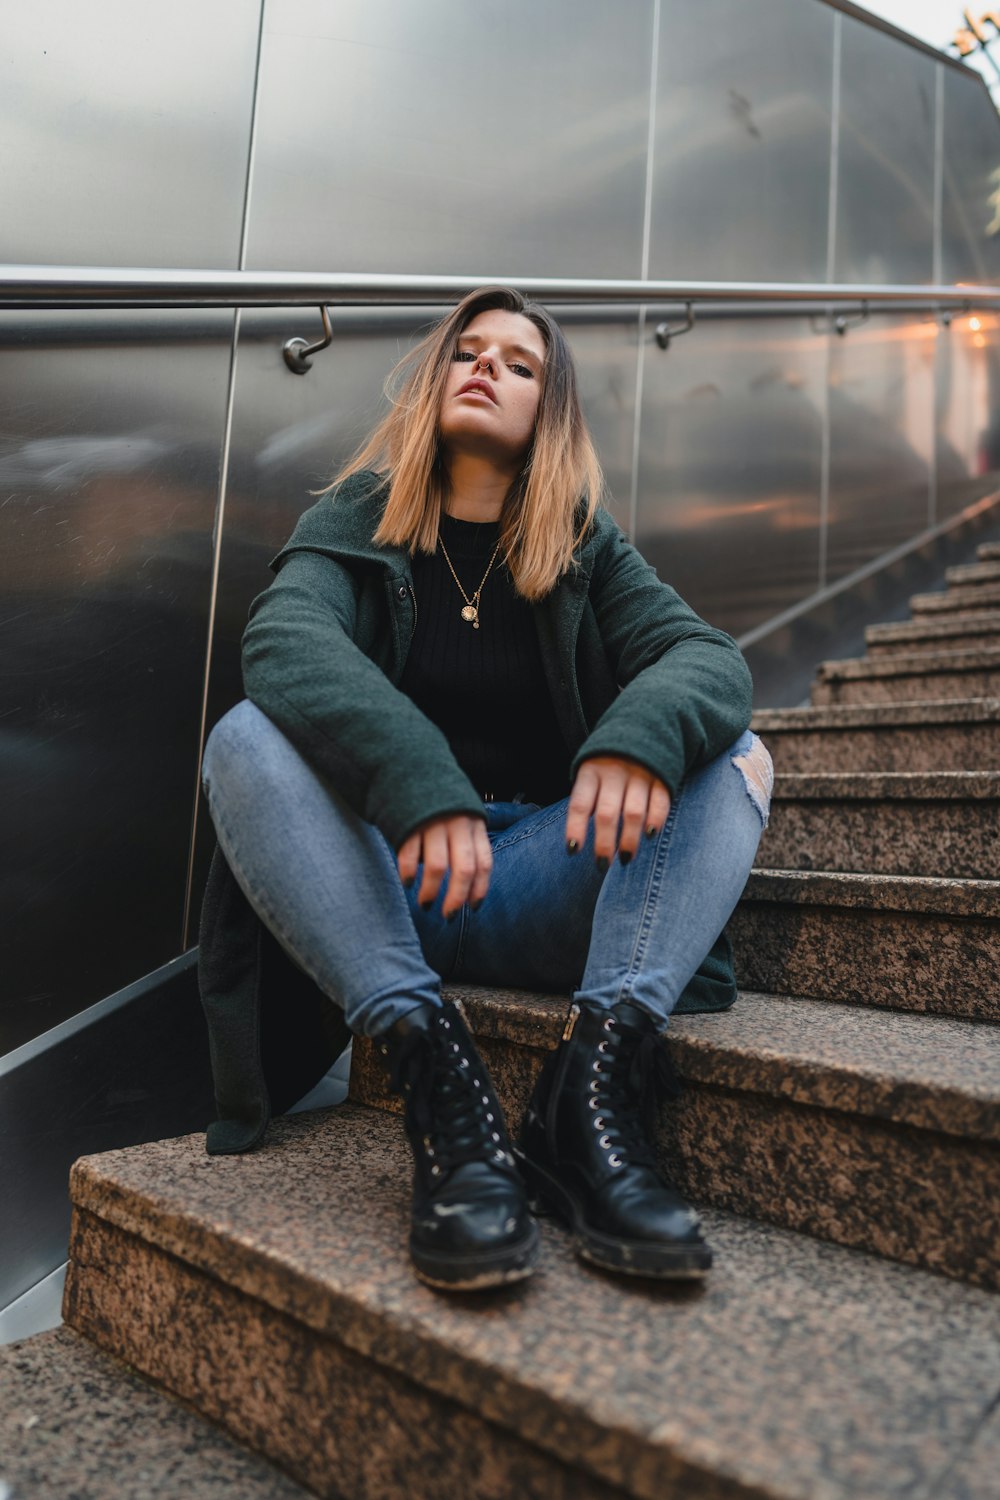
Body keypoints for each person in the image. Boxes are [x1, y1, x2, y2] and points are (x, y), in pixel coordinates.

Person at [199, 286, 772, 1293]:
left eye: (519, 363)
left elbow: (704, 658)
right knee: (247, 737)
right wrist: (418, 781)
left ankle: (592, 1091)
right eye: (469, 351)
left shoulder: (586, 547)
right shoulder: (355, 520)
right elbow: (282, 645)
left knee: (734, 755)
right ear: (433, 382)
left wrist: (634, 740)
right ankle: (438, 1079)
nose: (487, 368)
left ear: (548, 413)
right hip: (389, 888)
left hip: (545, 883)